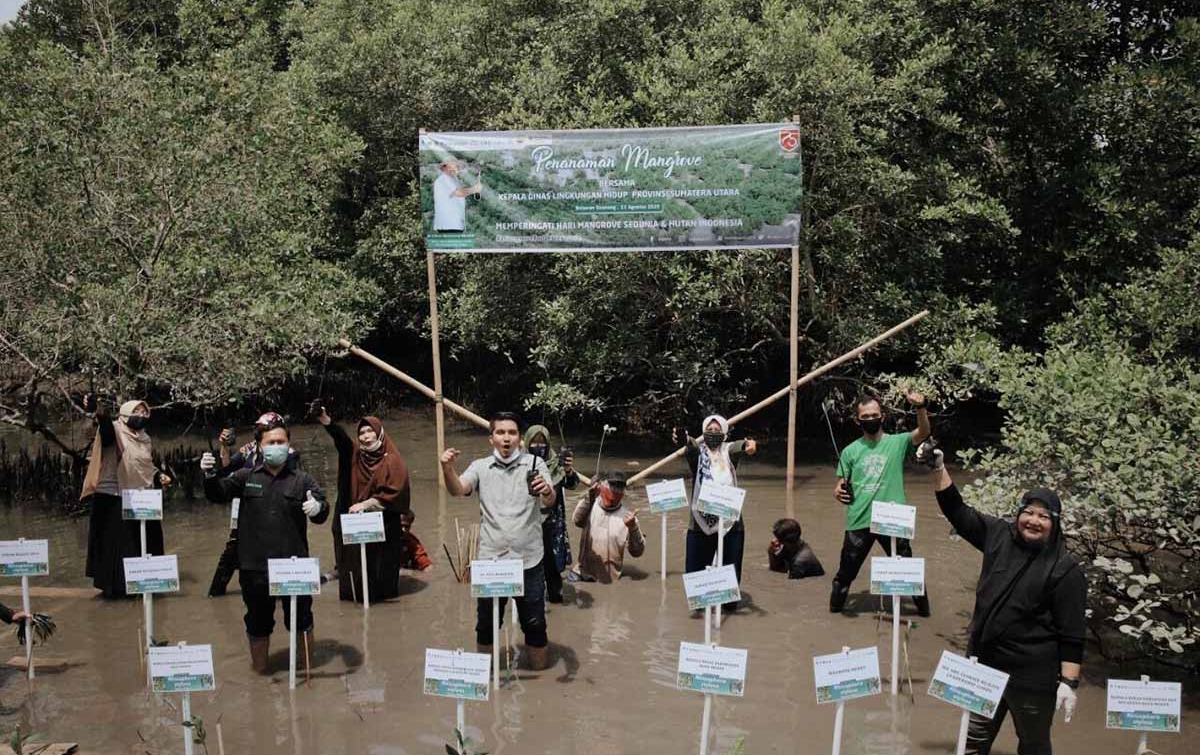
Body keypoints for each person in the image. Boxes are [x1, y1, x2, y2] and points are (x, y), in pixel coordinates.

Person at [920, 444, 1085, 755]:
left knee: (1034, 744)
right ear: (1019, 514)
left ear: (1055, 523)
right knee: (972, 741)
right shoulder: (998, 535)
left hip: (1032, 678)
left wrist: (1069, 683)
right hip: (983, 665)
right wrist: (938, 468)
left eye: (1043, 516)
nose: (1034, 521)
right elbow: (958, 511)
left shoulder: (1066, 570)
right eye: (1028, 512)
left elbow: (1073, 634)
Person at [200, 416, 328, 674]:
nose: (277, 446)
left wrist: (317, 508)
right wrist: (209, 474)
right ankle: (260, 674)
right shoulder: (246, 477)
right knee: (257, 623)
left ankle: (306, 672)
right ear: (259, 445)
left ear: (289, 444)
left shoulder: (302, 480)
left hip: (295, 568)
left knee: (302, 620)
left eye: (281, 441)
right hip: (255, 568)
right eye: (271, 442)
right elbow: (217, 494)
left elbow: (323, 512)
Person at [440, 412, 555, 670]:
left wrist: (546, 490)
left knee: (535, 625)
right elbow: (458, 489)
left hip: (529, 560)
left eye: (512, 433)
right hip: (492, 562)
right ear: (491, 438)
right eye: (500, 433)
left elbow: (550, 501)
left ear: (520, 439)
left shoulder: (535, 464)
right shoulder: (481, 467)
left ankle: (540, 687)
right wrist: (447, 469)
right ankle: (485, 680)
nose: (506, 438)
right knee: (486, 626)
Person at [829, 392, 932, 615]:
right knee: (845, 574)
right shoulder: (850, 451)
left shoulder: (898, 442)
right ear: (858, 420)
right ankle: (834, 612)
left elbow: (924, 432)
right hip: (859, 519)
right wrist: (838, 490)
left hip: (893, 519)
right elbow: (840, 483)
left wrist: (921, 407)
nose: (870, 419)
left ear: (882, 416)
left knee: (908, 571)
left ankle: (925, 614)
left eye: (874, 414)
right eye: (865, 416)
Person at [315, 407, 411, 603]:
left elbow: (396, 492)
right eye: (361, 433)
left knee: (382, 584)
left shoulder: (393, 460)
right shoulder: (355, 455)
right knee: (355, 583)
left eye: (370, 431)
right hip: (354, 525)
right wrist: (326, 420)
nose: (366, 436)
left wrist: (369, 503)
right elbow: (341, 440)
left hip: (383, 526)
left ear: (380, 434)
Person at [80, 396, 171, 599]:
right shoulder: (114, 431)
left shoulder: (144, 438)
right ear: (124, 415)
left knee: (148, 539)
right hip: (113, 497)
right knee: (120, 546)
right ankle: (118, 589)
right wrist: (98, 410)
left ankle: (149, 582)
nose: (141, 416)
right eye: (137, 412)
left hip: (141, 496)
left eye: (144, 412)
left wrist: (158, 476)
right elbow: (104, 426)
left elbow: (145, 466)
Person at [208, 413, 303, 597]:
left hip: (275, 509)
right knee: (231, 551)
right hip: (248, 508)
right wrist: (224, 447)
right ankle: (215, 595)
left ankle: (279, 591)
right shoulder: (248, 450)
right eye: (261, 431)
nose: (265, 434)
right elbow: (226, 468)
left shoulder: (288, 453)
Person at [676, 415, 757, 611]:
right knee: (696, 577)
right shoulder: (697, 454)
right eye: (709, 430)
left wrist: (749, 444)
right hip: (699, 521)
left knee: (730, 576)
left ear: (724, 433)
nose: (713, 433)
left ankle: (727, 613)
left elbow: (741, 445)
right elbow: (690, 445)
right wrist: (682, 437)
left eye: (717, 430)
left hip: (730, 521)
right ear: (704, 432)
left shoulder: (729, 452)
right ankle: (699, 625)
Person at [523, 424, 578, 602]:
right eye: (534, 443)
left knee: (552, 565)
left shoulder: (557, 463)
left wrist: (568, 470)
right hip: (527, 524)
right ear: (527, 442)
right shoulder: (519, 463)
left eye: (542, 443)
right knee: (529, 566)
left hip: (552, 523)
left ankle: (555, 597)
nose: (538, 447)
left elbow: (572, 484)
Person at [570, 471, 645, 583]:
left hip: (611, 578)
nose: (616, 490)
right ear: (602, 486)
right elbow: (577, 521)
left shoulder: (628, 518)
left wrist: (632, 528)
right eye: (612, 485)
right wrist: (590, 497)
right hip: (582, 575)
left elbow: (637, 552)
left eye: (620, 487)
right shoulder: (590, 505)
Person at [433, 159, 481, 232]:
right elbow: (458, 193)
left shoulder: (454, 180)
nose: (455, 168)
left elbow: (460, 194)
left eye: (456, 166)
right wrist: (474, 189)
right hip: (448, 225)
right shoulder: (443, 180)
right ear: (444, 168)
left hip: (455, 224)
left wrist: (473, 190)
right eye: (452, 166)